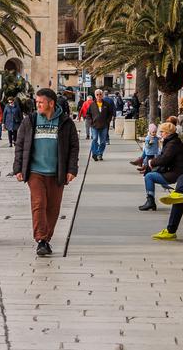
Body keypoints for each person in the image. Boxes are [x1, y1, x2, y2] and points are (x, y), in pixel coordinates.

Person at [13, 87, 80, 257]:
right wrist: (18, 168)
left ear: (51, 103)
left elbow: (74, 147)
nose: (38, 105)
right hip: (35, 171)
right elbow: (20, 145)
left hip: (57, 172)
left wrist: (72, 169)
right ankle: (41, 239)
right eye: (36, 102)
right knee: (39, 204)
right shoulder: (31, 120)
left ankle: (46, 239)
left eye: (40, 102)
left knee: (53, 208)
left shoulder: (65, 122)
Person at [138, 121, 183, 210]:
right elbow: (164, 157)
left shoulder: (172, 144)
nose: (160, 134)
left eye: (162, 132)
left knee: (149, 176)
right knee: (150, 173)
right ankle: (150, 201)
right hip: (173, 171)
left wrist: (152, 162)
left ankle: (150, 201)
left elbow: (164, 159)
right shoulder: (172, 141)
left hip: (175, 173)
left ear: (168, 133)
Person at [87, 88, 115, 161]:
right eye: (97, 94)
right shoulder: (92, 105)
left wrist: (107, 121)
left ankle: (100, 154)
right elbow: (88, 114)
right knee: (95, 139)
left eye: (100, 94)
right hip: (94, 126)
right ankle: (95, 153)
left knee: (103, 141)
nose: (99, 96)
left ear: (102, 95)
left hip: (104, 126)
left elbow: (110, 113)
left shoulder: (106, 104)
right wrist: (91, 122)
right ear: (95, 96)